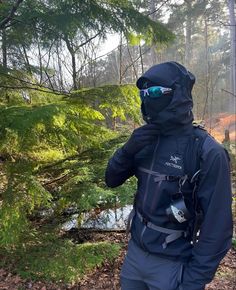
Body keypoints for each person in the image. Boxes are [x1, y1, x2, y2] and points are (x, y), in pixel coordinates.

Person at [105, 61, 233, 290]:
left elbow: (218, 228)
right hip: (135, 256)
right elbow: (111, 180)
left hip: (174, 265)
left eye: (154, 91)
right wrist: (127, 150)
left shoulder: (207, 152)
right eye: (143, 93)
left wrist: (192, 282)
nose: (147, 98)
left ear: (178, 95)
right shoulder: (143, 140)